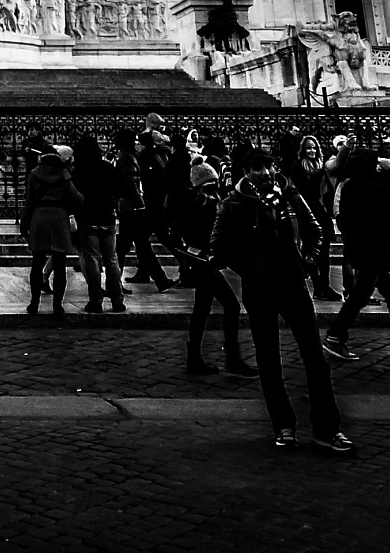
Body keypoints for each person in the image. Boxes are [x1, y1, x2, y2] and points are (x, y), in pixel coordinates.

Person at [214, 148, 350, 451]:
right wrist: (251, 270)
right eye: (257, 168)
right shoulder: (233, 204)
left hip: (293, 284)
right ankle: (284, 424)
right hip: (260, 289)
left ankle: (327, 428)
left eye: (269, 166)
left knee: (315, 357)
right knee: (268, 358)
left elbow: (315, 229)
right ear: (245, 172)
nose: (265, 173)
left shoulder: (290, 196)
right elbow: (219, 244)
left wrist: (308, 262)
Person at [322, 138, 390, 365]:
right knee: (360, 297)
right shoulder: (363, 187)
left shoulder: (357, 185)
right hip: (372, 252)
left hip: (368, 251)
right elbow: (380, 211)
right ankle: (335, 336)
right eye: (373, 163)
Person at [176, 161, 249, 375]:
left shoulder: (207, 202)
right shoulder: (198, 204)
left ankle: (195, 358)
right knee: (230, 306)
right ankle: (231, 359)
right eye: (209, 186)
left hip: (205, 260)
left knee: (202, 309)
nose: (214, 190)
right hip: (202, 262)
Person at [19, 150, 82, 317]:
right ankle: (57, 305)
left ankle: (34, 303)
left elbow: (29, 201)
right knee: (60, 264)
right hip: (59, 218)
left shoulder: (34, 175)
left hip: (39, 217)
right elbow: (77, 198)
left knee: (37, 262)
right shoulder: (64, 175)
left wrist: (24, 225)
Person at [69, 136, 123, 312]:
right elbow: (119, 189)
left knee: (92, 260)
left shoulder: (78, 171)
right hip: (107, 217)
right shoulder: (108, 168)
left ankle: (96, 300)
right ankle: (117, 299)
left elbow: (74, 196)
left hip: (87, 218)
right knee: (111, 259)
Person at [284, 135, 341, 300]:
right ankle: (318, 285)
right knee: (312, 249)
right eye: (309, 148)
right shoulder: (298, 166)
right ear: (303, 150)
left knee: (324, 250)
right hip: (306, 210)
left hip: (319, 209)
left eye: (314, 148)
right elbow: (303, 189)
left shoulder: (322, 166)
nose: (312, 151)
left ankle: (324, 285)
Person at [116, 132, 171, 291]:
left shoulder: (126, 158)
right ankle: (160, 280)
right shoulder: (129, 158)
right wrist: (140, 203)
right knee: (138, 245)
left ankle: (115, 284)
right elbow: (131, 184)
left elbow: (130, 183)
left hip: (129, 208)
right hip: (132, 208)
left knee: (132, 246)